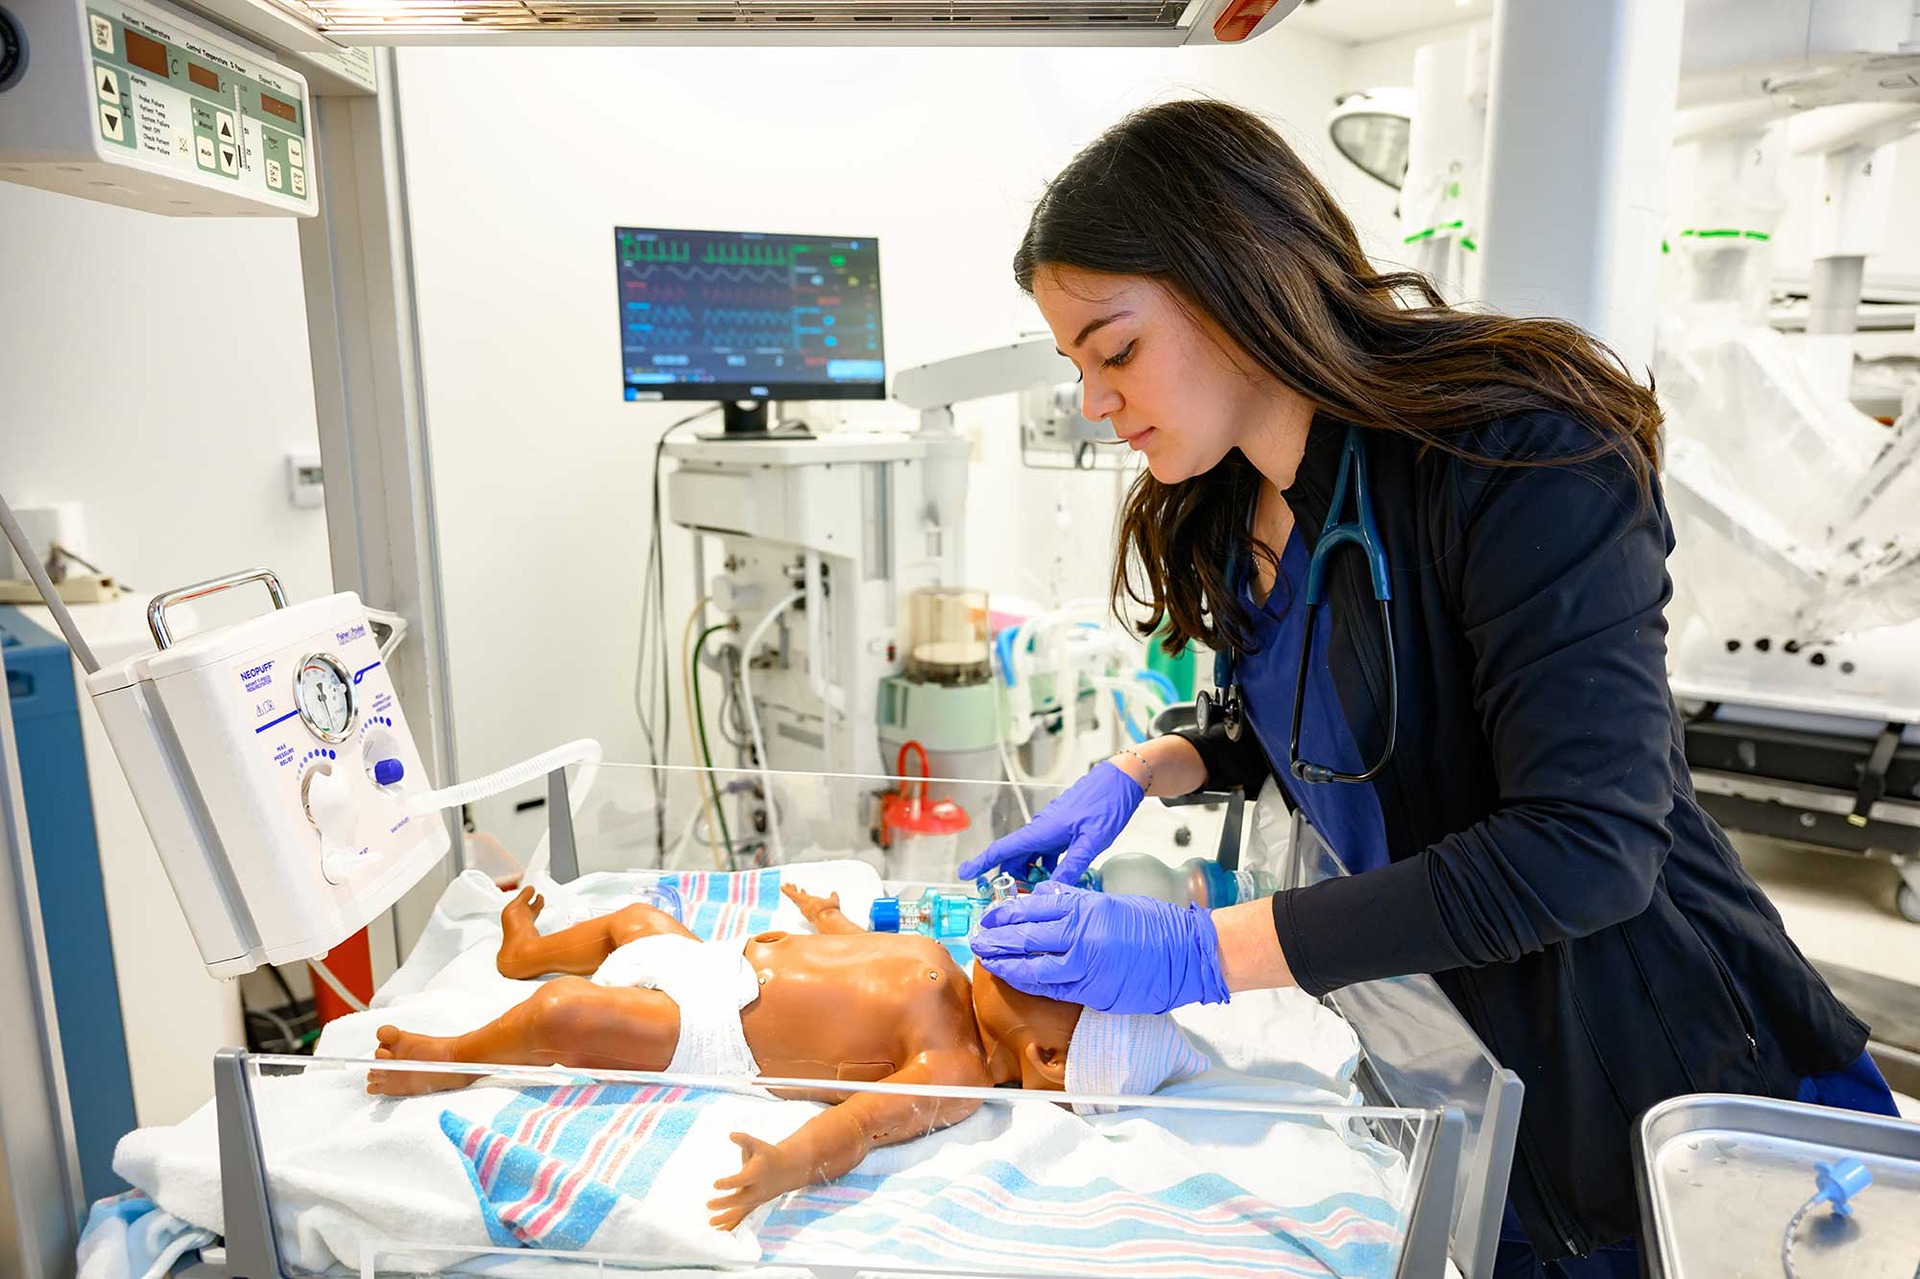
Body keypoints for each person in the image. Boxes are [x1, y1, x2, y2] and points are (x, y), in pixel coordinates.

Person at [960, 99, 1899, 1278]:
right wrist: (1158, 765)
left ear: (1237, 278)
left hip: (1668, 1077)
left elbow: (1584, 845)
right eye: (1076, 365)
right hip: (1469, 1074)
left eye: (1114, 349)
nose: (1096, 403)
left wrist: (1199, 951)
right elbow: (1326, 714)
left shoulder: (1519, 454)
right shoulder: (1227, 499)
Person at [370, 883, 1204, 1230]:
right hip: (711, 959)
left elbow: (862, 1125)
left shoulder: (953, 1069)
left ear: (1052, 1059)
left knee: (566, 1012)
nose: (1038, 954)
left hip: (709, 1029)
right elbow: (873, 954)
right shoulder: (952, 974)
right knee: (633, 917)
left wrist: (787, 1163)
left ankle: (451, 1054)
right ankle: (529, 949)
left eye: (1060, 976)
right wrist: (831, 921)